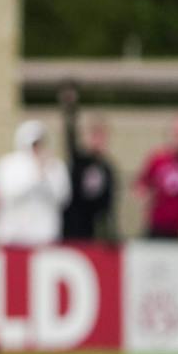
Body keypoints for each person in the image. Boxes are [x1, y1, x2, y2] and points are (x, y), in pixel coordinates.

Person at [0, 120, 67, 247]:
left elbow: (62, 197)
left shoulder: (55, 166)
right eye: (34, 143)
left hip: (44, 234)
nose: (37, 148)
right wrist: (35, 176)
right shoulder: (8, 164)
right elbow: (6, 195)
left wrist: (45, 175)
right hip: (12, 235)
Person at [58, 85, 116, 242]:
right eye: (95, 135)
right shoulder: (80, 161)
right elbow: (70, 140)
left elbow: (108, 204)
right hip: (71, 226)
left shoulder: (106, 168)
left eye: (102, 135)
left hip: (91, 230)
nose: (98, 140)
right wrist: (70, 111)